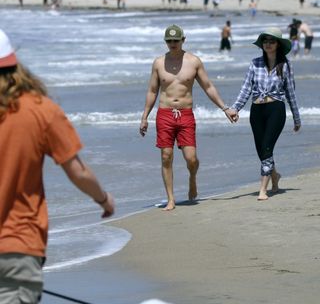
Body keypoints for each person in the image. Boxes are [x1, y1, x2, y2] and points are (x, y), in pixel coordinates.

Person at [0, 29, 115, 303]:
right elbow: (78, 171)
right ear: (14, 63)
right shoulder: (40, 110)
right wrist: (104, 200)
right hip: (17, 244)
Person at [139, 24, 236, 211]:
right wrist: (144, 117)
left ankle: (192, 178)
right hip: (165, 113)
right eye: (169, 41)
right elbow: (152, 91)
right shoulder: (159, 63)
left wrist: (225, 108)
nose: (172, 43)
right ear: (165, 41)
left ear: (183, 40)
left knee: (191, 159)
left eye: (176, 40)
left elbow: (208, 86)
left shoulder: (194, 61)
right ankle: (171, 199)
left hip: (185, 114)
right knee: (166, 157)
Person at [230, 27, 301, 201]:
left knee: (267, 146)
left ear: (278, 44)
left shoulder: (285, 65)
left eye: (272, 41)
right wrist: (235, 108)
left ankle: (263, 188)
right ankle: (275, 176)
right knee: (261, 149)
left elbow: (291, 92)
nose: (268, 44)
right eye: (265, 41)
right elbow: (246, 89)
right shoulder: (255, 63)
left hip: (276, 109)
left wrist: (296, 118)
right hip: (257, 111)